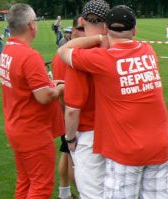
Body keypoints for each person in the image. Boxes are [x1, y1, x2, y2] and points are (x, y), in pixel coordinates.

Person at [58, 5, 168, 199]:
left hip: (120, 145)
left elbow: (63, 51)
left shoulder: (102, 58)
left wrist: (69, 139)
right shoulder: (148, 50)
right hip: (158, 145)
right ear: (134, 30)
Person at [0, 3, 64, 198]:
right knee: (41, 186)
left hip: (17, 127)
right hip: (33, 131)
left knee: (25, 181)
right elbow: (43, 96)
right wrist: (61, 87)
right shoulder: (29, 55)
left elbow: (25, 85)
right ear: (30, 25)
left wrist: (50, 83)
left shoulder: (8, 51)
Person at [62, 0, 109, 198]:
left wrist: (70, 138)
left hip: (89, 135)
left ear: (82, 20)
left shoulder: (78, 57)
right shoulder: (118, 50)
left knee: (92, 193)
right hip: (118, 132)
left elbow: (72, 109)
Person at [52, 15, 85, 199]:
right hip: (71, 117)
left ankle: (64, 192)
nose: (84, 31)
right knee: (75, 160)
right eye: (80, 28)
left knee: (66, 154)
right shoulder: (67, 55)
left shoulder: (72, 51)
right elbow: (63, 92)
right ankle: (83, 193)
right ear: (72, 31)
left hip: (69, 116)